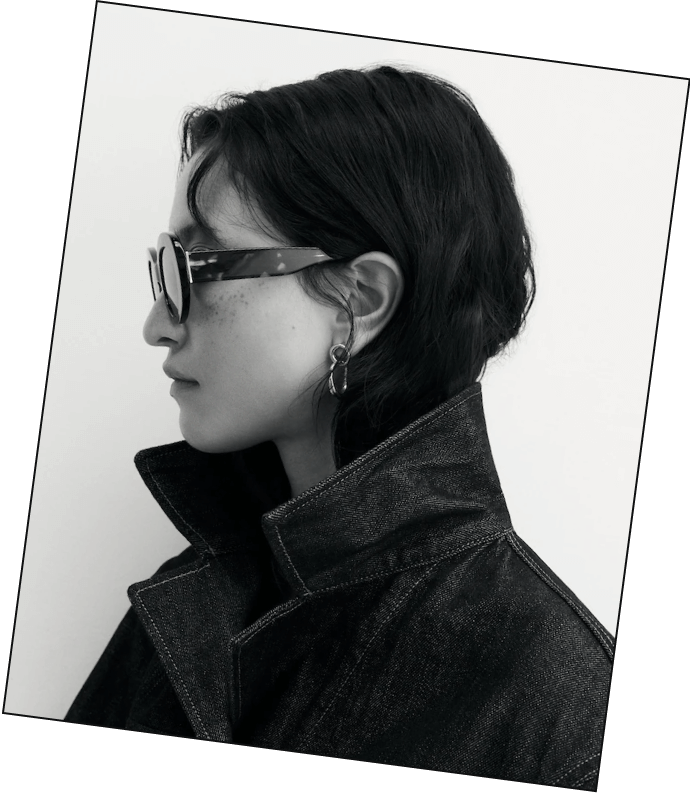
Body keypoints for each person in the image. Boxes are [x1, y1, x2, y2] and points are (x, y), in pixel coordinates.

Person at [65, 65, 613, 791]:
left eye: (195, 266)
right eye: (163, 268)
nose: (157, 325)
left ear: (359, 299)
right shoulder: (191, 597)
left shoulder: (567, 716)